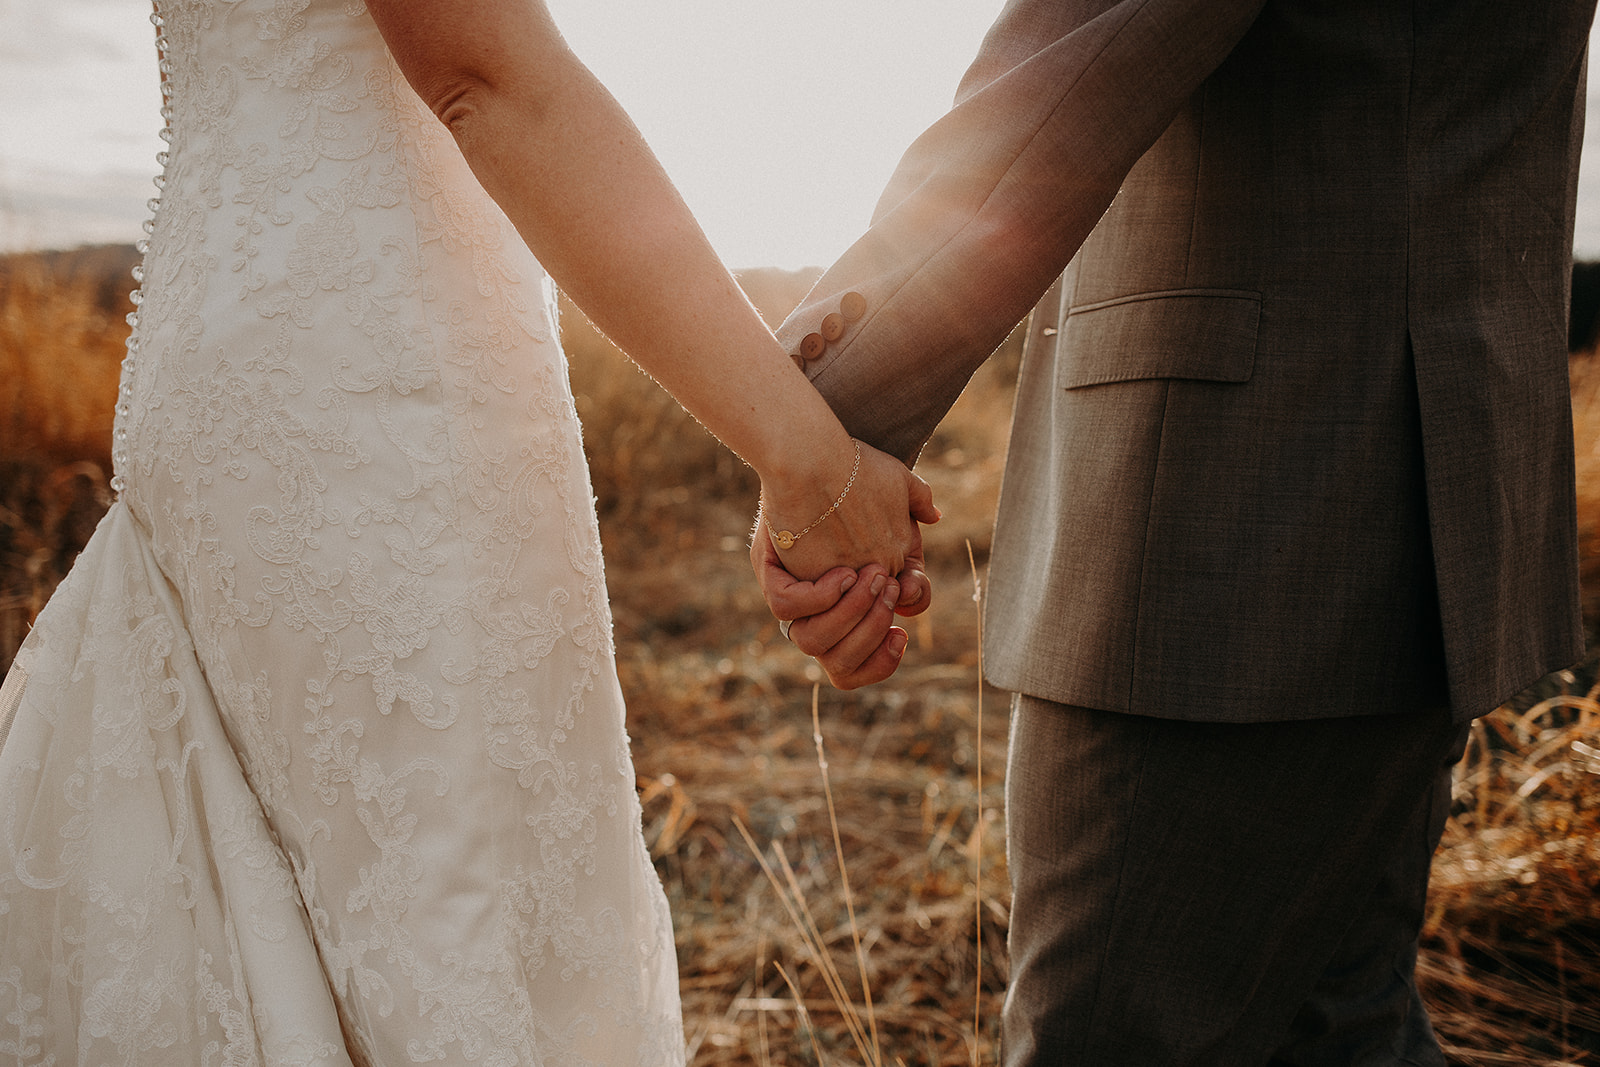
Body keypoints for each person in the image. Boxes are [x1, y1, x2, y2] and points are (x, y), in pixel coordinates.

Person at [0, 0, 933, 1061]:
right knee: (446, 928)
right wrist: (805, 455)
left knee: (306, 907)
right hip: (373, 383)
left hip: (232, 353)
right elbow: (490, 79)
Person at [755, 0, 1594, 1063]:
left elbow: (1071, 66)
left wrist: (822, 432)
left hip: (1227, 524)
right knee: (1331, 1027)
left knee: (1112, 1036)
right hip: (1423, 479)